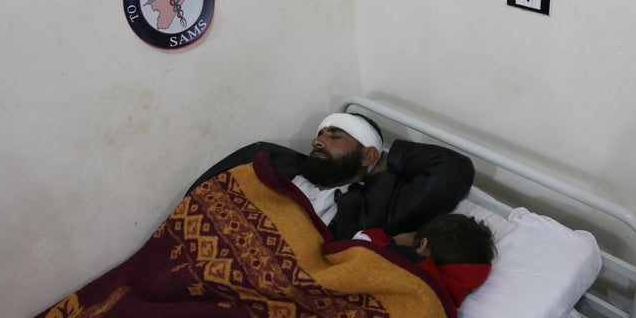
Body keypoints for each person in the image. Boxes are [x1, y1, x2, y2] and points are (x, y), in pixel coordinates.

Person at [186, 112, 475, 240]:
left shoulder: (375, 207)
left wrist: (385, 161)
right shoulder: (270, 160)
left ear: (367, 155)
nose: (318, 141)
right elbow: (203, 196)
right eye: (320, 135)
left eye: (335, 136)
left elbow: (452, 170)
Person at [353, 213, 495, 318]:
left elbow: (359, 244)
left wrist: (395, 240)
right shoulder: (445, 315)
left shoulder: (402, 260)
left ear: (423, 244)